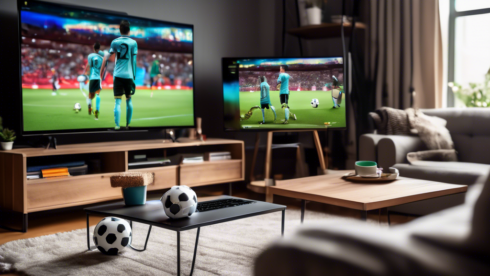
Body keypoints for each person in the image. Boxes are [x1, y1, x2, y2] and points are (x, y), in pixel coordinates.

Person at [100, 20, 138, 130]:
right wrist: (134, 78)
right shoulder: (133, 43)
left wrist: (103, 70)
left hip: (118, 75)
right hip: (129, 76)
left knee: (117, 102)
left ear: (120, 30)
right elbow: (133, 61)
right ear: (129, 30)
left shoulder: (115, 42)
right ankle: (127, 125)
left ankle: (117, 125)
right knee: (129, 100)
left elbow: (108, 57)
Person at [83, 42, 104, 119]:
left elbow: (90, 66)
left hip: (92, 77)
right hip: (98, 78)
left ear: (93, 47)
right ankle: (97, 112)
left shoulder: (90, 56)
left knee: (90, 95)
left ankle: (90, 106)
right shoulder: (102, 57)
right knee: (98, 94)